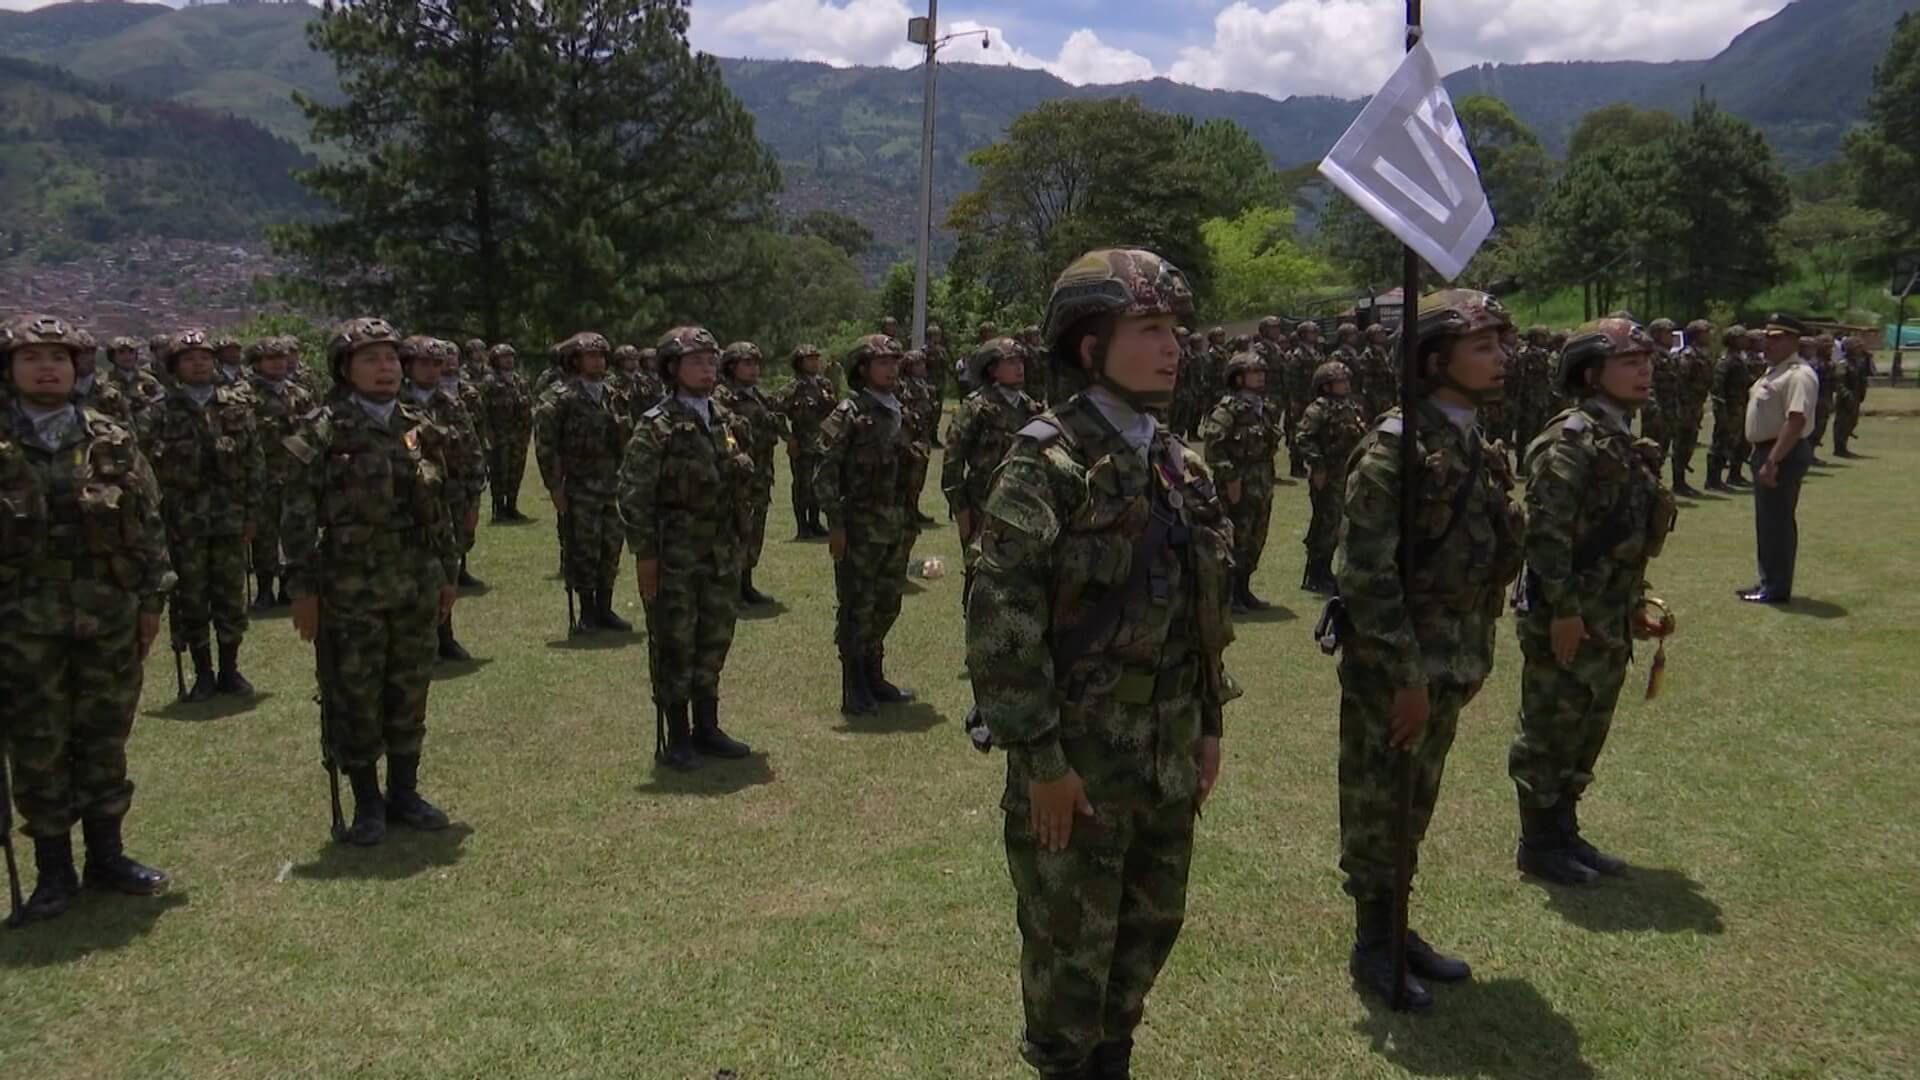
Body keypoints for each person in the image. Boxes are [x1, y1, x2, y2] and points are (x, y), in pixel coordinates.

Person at [966, 248, 1237, 1078]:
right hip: (1078, 763)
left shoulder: (1180, 465)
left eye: (1175, 331)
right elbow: (1002, 630)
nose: (1172, 348)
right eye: (1149, 329)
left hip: (1165, 753)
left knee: (1146, 937)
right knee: (1068, 957)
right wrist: (1041, 762)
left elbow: (1203, 617)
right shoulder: (1045, 464)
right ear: (1089, 347)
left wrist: (1210, 725)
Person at [1333, 289, 1524, 1011]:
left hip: (1455, 657)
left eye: (1500, 345)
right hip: (1398, 666)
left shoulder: (1470, 440)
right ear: (1434, 359)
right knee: (1382, 800)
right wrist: (1406, 674)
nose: (1500, 358)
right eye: (1482, 347)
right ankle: (1373, 942)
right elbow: (1365, 573)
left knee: (1416, 801)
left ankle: (1396, 924)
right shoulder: (1395, 446)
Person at [0, 313, 176, 923]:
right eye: (31, 358)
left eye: (60, 357)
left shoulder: (111, 437)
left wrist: (152, 602)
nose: (47, 367)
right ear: (11, 370)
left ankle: (108, 856)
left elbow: (149, 523)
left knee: (104, 735)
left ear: (78, 368)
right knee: (38, 742)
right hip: (20, 626)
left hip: (107, 615)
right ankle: (55, 871)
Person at [1510, 317, 1678, 886]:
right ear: (1590, 372)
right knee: (1552, 726)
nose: (1644, 371)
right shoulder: (1569, 439)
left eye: (1646, 361)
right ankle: (1537, 843)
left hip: (1606, 610)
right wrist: (1562, 610)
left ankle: (1564, 831)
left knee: (1587, 726)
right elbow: (1548, 535)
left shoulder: (1623, 436)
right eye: (1630, 362)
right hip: (1569, 611)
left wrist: (1631, 600)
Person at [281, 317, 460, 846]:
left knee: (408, 689)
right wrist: (303, 590)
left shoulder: (419, 425)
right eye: (370, 360)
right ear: (344, 368)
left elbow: (440, 507)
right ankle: (367, 802)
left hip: (414, 582)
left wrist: (447, 574)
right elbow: (296, 516)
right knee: (354, 694)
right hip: (349, 588)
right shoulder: (321, 429)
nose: (385, 369)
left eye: (390, 359)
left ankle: (404, 791)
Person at [618, 327, 757, 770]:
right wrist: (646, 556)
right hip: (676, 553)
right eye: (697, 361)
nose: (708, 368)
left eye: (711, 360)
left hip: (719, 552)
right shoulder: (655, 425)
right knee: (674, 641)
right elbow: (634, 494)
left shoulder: (725, 419)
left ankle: (708, 726)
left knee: (714, 638)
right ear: (673, 368)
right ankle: (678, 735)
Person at [143, 328, 264, 702]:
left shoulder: (236, 406)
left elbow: (254, 461)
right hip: (183, 523)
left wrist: (252, 512)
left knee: (230, 595)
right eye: (189, 359)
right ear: (175, 367)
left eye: (205, 357)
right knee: (191, 598)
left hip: (229, 519)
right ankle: (204, 673)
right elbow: (144, 470)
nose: (199, 363)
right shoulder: (159, 412)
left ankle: (230, 669)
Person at [817, 334, 924, 716]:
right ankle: (854, 685)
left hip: (896, 523)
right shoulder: (848, 412)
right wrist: (836, 524)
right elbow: (825, 472)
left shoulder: (902, 410)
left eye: (895, 362)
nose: (892, 368)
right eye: (882, 362)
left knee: (887, 602)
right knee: (857, 604)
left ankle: (875, 674)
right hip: (861, 524)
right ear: (862, 369)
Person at [534, 331, 637, 634]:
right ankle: (587, 612)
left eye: (602, 355)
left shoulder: (614, 394)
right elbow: (546, 445)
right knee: (583, 550)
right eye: (591, 356)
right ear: (575, 360)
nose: (599, 361)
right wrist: (554, 486)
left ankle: (605, 608)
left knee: (610, 548)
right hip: (578, 486)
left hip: (612, 484)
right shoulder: (558, 397)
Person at [401, 338, 486, 660]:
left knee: (447, 566)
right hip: (411, 502)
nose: (434, 370)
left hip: (451, 497)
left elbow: (472, 450)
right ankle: (419, 639)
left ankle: (444, 634)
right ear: (408, 366)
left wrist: (474, 499)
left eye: (438, 364)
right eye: (426, 363)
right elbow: (409, 450)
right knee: (415, 569)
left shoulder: (451, 402)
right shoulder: (397, 403)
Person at [943, 336, 1043, 609]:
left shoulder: (1031, 408)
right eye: (1010, 362)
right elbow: (952, 461)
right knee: (980, 580)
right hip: (982, 508)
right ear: (992, 369)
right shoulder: (976, 407)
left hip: (1023, 508)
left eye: (1020, 360)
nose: (1019, 367)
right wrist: (961, 510)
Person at [1739, 313, 1819, 605]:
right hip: (1769, 450)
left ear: (1793, 341)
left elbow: (1795, 420)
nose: (1766, 343)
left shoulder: (1798, 374)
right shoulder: (1775, 370)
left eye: (1775, 338)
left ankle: (1775, 587)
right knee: (1769, 521)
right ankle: (1769, 579)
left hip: (1781, 452)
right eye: (1766, 337)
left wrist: (1772, 461)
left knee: (1777, 522)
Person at [1197, 351, 1280, 612]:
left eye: (1261, 372)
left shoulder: (1263, 407)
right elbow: (1214, 449)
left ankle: (1244, 589)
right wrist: (1230, 478)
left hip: (1261, 481)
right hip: (1238, 483)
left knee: (1256, 538)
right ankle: (1229, 593)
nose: (1260, 377)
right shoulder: (1226, 410)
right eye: (1254, 373)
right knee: (1235, 538)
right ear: (1238, 377)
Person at [247, 335, 316, 610]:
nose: (278, 364)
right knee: (264, 537)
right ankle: (265, 590)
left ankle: (290, 587)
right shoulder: (246, 395)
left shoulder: (300, 394)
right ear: (258, 363)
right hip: (263, 477)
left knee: (296, 535)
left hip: (295, 477)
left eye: (281, 358)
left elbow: (314, 431)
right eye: (271, 359)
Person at [714, 341, 784, 606]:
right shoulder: (722, 397)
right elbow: (724, 434)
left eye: (756, 363)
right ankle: (731, 588)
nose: (754, 368)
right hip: (736, 478)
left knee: (755, 531)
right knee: (736, 531)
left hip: (761, 475)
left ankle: (746, 583)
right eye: (747, 363)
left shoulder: (761, 396)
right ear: (732, 366)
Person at [1297, 360, 1367, 596]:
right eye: (1340, 381)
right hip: (1328, 473)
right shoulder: (1318, 409)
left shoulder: (1351, 406)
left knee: (1339, 524)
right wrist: (1317, 466)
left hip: (1349, 473)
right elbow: (1305, 438)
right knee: (1324, 524)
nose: (1346, 385)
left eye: (1347, 380)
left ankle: (1326, 570)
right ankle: (1315, 573)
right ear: (1326, 386)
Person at [772, 344, 836, 540]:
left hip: (823, 443)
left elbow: (833, 413)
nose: (815, 363)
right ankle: (803, 526)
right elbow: (776, 413)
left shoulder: (825, 385)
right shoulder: (793, 388)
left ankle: (815, 523)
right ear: (799, 363)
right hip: (802, 444)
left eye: (817, 358)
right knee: (802, 486)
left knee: (819, 485)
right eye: (810, 359)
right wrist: (788, 438)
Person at [481, 343, 534, 522]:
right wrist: (488, 433)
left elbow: (529, 406)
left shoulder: (521, 381)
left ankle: (512, 506)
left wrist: (527, 433)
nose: (509, 360)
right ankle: (499, 509)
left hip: (518, 437)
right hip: (499, 436)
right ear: (496, 359)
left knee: (515, 472)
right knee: (499, 473)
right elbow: (483, 410)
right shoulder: (490, 381)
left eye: (511, 356)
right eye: (504, 357)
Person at [1706, 325, 1753, 491]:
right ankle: (1713, 480)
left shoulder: (1740, 358)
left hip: (1739, 408)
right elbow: (1717, 388)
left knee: (1738, 443)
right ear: (1733, 340)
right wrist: (1721, 412)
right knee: (1721, 444)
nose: (1746, 340)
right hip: (1729, 409)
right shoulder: (1726, 361)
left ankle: (1735, 475)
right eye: (1742, 337)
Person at [1831, 339, 1870, 457]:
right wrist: (1847, 396)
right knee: (1842, 422)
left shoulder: (1858, 362)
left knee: (1852, 422)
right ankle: (1839, 448)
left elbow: (1866, 374)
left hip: (1856, 396)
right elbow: (1839, 383)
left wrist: (1867, 357)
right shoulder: (1843, 363)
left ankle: (1844, 446)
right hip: (1846, 398)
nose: (1859, 349)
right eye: (1856, 347)